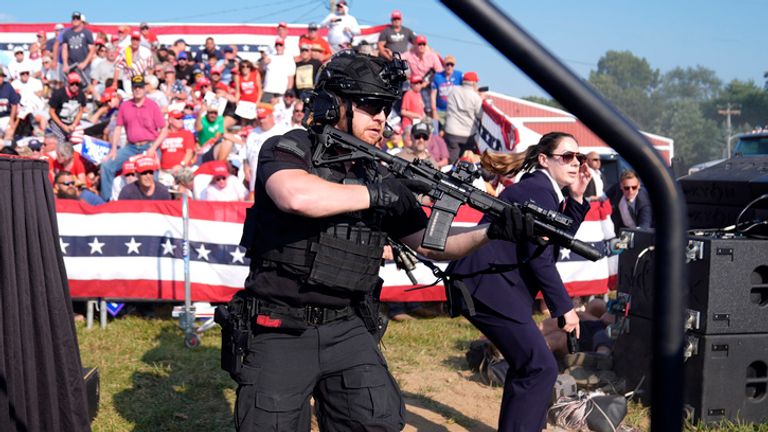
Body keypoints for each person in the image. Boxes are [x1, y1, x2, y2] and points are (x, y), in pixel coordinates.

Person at [229, 51, 534, 432]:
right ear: (332, 104)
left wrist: (491, 231)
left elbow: (428, 242)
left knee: (375, 422)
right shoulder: (289, 148)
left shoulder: (379, 172)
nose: (381, 118)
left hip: (348, 325)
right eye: (371, 106)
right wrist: (377, 194)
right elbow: (296, 196)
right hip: (280, 327)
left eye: (386, 108)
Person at [448, 132, 592, 432]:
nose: (576, 163)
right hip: (486, 286)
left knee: (530, 365)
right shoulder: (538, 191)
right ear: (543, 159)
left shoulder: (545, 191)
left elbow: (556, 238)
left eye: (578, 157)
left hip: (492, 286)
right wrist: (564, 308)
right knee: (540, 367)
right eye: (567, 156)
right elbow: (539, 256)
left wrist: (577, 199)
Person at [100, 74, 167, 201]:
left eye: (140, 87)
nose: (137, 90)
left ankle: (155, 206)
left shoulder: (152, 105)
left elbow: (164, 129)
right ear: (131, 89)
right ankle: (107, 202)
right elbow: (118, 127)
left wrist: (153, 148)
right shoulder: (125, 106)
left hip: (149, 144)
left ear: (144, 89)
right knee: (107, 165)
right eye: (135, 87)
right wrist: (113, 149)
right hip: (131, 147)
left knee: (152, 173)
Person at [444, 71, 482, 164]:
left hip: (452, 131)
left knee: (451, 162)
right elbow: (480, 115)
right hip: (467, 134)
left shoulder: (453, 90)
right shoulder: (476, 97)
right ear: (473, 83)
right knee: (465, 162)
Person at [606, 169, 652, 235]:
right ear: (621, 187)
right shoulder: (619, 191)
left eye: (634, 187)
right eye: (627, 188)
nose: (630, 191)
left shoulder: (643, 202)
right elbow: (609, 192)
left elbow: (644, 227)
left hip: (641, 232)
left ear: (639, 186)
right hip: (623, 229)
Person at [48, 72, 86, 142]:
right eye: (72, 84)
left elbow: (81, 110)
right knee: (61, 140)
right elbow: (51, 111)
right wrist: (62, 125)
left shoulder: (81, 95)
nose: (74, 86)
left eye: (77, 84)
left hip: (72, 122)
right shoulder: (58, 94)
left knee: (79, 139)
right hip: (58, 122)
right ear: (68, 84)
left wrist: (74, 124)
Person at [60, 11, 95, 84]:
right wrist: (65, 64)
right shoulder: (67, 33)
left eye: (77, 18)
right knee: (70, 85)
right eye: (74, 18)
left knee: (85, 86)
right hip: (71, 66)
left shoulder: (87, 33)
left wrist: (85, 63)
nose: (75, 20)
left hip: (83, 66)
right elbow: (64, 49)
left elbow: (92, 50)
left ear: (81, 20)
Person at [431, 55, 463, 127]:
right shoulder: (437, 76)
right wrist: (434, 111)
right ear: (444, 65)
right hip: (440, 110)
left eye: (452, 65)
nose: (449, 67)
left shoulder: (459, 75)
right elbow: (433, 95)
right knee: (436, 131)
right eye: (447, 64)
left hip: (454, 111)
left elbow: (469, 84)